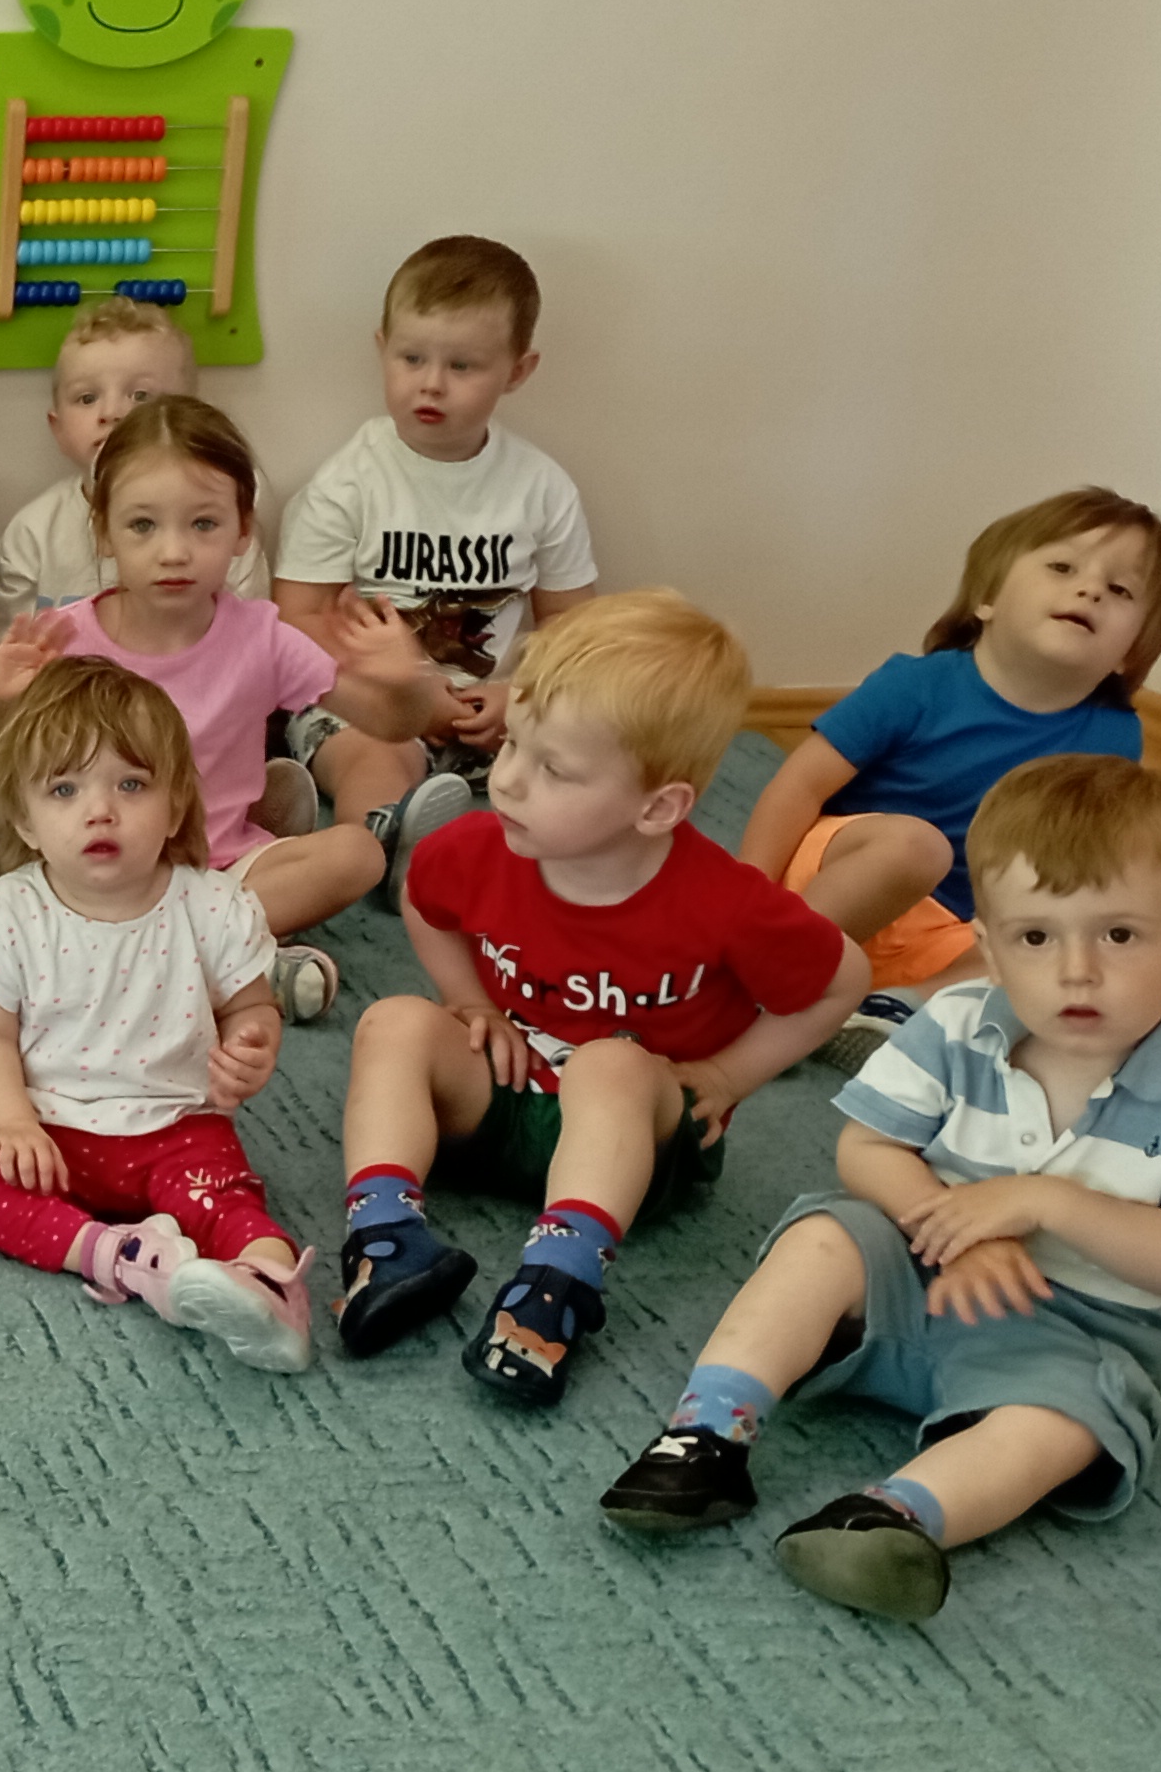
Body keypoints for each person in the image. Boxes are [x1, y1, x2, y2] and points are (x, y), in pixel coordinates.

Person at [598, 755, 1161, 1623]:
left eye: (1119, 936)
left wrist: (1046, 1202)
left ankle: (893, 1517)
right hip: (916, 1274)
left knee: (1071, 1425)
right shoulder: (957, 1022)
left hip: (1073, 1335)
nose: (1077, 970)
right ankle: (706, 1435)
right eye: (1036, 938)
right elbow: (867, 1147)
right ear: (989, 948)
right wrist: (951, 1229)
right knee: (825, 1235)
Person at [333, 589, 870, 1404]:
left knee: (609, 1065)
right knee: (393, 1021)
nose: (508, 781)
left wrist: (728, 1075)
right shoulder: (480, 845)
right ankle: (386, 1238)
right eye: (514, 745)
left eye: (554, 769)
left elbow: (841, 982)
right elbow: (424, 902)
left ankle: (557, 1285)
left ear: (658, 807)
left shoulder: (723, 901)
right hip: (505, 1088)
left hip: (637, 1142)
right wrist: (470, 1001)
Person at [0, 659, 312, 1370]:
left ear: (176, 808)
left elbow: (252, 1008)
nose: (100, 810)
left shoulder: (214, 906)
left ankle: (273, 1291)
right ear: (25, 821)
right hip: (51, 1135)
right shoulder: (4, 913)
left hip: (178, 1132)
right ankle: (118, 1255)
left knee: (229, 1203)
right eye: (65, 789)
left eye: (131, 785)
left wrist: (253, 1043)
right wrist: (14, 1124)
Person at [0, 398, 433, 1013]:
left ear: (243, 530)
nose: (174, 552)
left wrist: (406, 681)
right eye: (143, 525)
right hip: (97, 873)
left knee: (358, 854)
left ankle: (161, 958)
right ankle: (229, 965)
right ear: (103, 531)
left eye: (203, 524)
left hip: (220, 872)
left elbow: (391, 724)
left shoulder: (262, 637)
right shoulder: (64, 638)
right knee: (41, 875)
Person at [734, 485, 1161, 1066]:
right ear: (988, 598)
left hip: (946, 929)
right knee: (915, 847)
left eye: (1121, 590)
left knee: (1052, 952)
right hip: (836, 885)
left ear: (1132, 651)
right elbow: (799, 785)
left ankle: (891, 1009)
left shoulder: (1113, 738)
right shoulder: (917, 685)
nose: (1091, 589)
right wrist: (747, 895)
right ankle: (759, 973)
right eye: (1062, 566)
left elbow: (1076, 855)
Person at [271, 237, 598, 883]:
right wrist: (410, 696)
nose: (431, 383)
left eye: (463, 366)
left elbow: (574, 625)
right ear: (382, 348)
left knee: (597, 739)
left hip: (496, 712)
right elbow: (294, 621)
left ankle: (541, 859)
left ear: (517, 371)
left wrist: (520, 694)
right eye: (411, 357)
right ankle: (384, 841)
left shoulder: (541, 487)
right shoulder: (347, 483)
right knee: (371, 758)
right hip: (372, 705)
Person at [0, 295, 272, 617]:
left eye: (140, 395)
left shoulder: (222, 522)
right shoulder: (34, 532)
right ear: (58, 428)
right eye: (87, 398)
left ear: (188, 416)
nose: (112, 412)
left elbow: (251, 631)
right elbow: (6, 638)